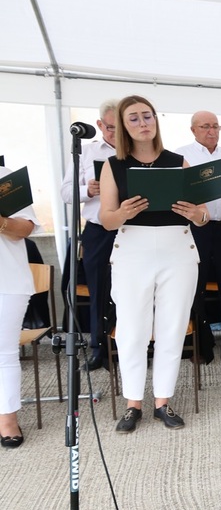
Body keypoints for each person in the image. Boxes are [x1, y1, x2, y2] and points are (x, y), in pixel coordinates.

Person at [99, 95, 211, 433]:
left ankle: (163, 401)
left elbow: (203, 214)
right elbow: (106, 218)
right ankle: (133, 403)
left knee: (172, 327)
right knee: (131, 329)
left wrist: (197, 214)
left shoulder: (180, 162)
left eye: (147, 116)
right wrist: (123, 213)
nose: (143, 123)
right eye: (133, 118)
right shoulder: (112, 165)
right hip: (132, 248)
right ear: (123, 126)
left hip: (178, 248)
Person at [175, 110, 221, 362]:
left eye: (216, 126)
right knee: (196, 286)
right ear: (193, 130)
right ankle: (201, 344)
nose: (212, 131)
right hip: (196, 228)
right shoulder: (181, 155)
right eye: (205, 126)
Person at [61, 98, 118, 370]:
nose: (116, 133)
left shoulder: (142, 151)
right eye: (110, 127)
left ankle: (139, 344)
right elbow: (65, 192)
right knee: (98, 288)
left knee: (136, 289)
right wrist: (89, 190)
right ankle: (98, 348)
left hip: (133, 229)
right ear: (99, 124)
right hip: (97, 230)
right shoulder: (85, 153)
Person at [0, 165, 40, 449]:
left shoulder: (5, 175)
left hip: (7, 279)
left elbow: (25, 227)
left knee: (4, 353)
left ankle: (7, 419)